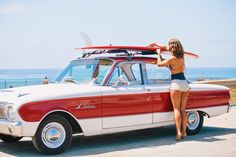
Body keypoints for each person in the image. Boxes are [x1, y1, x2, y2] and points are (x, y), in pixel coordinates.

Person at [155, 39, 190, 141]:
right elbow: (166, 47)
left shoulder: (172, 59)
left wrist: (158, 53)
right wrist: (158, 44)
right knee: (183, 109)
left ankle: (178, 133)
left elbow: (159, 64)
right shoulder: (182, 57)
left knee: (176, 109)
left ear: (172, 48)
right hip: (184, 83)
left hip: (176, 84)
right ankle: (184, 132)